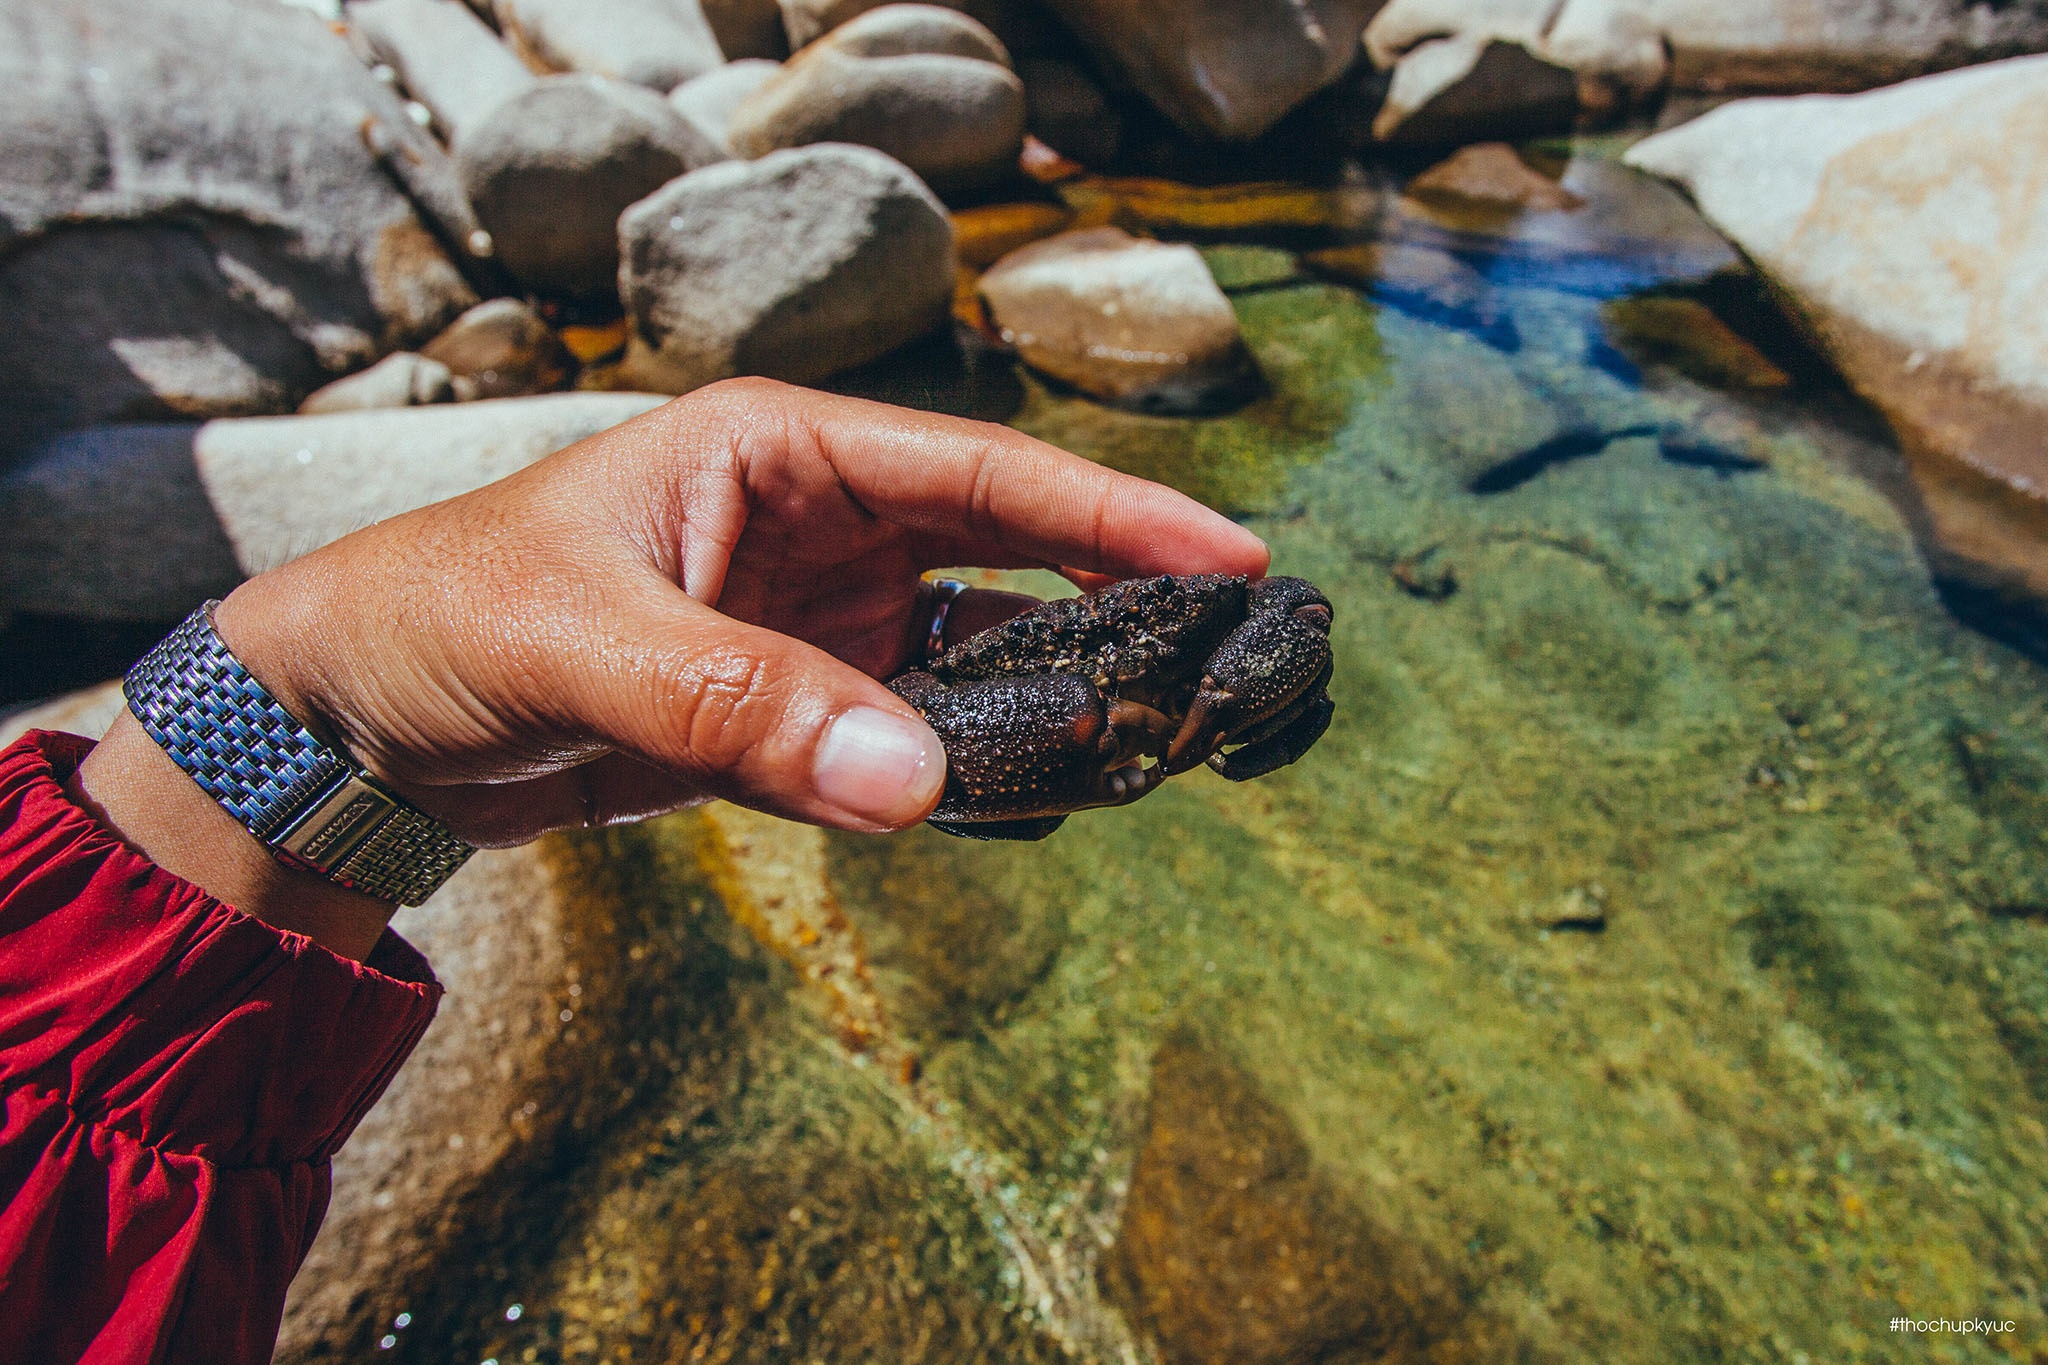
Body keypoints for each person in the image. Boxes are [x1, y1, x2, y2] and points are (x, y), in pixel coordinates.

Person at [0, 379, 1270, 1363]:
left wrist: (306, 717)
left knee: (1265, 619)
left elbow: (62, 1188)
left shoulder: (74, 1182)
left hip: (151, 996)